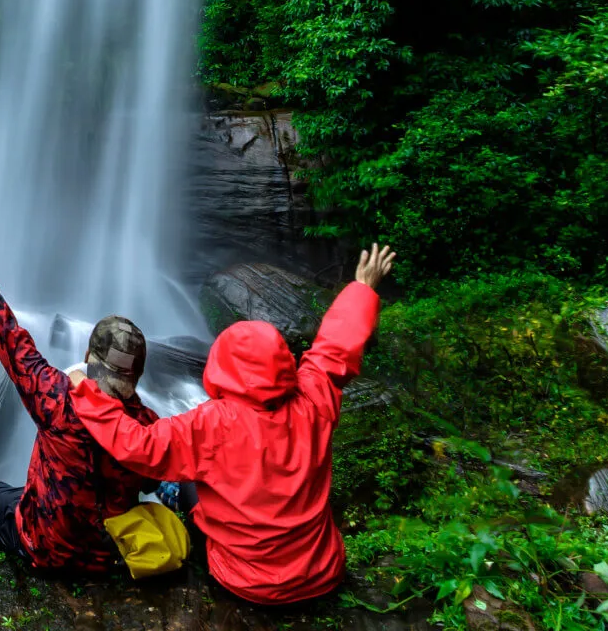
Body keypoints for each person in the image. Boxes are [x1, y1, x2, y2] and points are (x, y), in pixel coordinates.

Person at [67, 244, 398, 604]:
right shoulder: (313, 398)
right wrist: (363, 288)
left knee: (190, 483)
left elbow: (139, 445)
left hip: (245, 582)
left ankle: (173, 497)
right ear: (285, 361)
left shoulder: (212, 424)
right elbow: (336, 347)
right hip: (320, 574)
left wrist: (86, 392)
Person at [0, 212, 162, 574]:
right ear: (137, 374)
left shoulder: (55, 399)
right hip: (112, 555)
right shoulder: (147, 427)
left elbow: (8, 337)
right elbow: (154, 479)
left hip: (47, 547)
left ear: (89, 357)